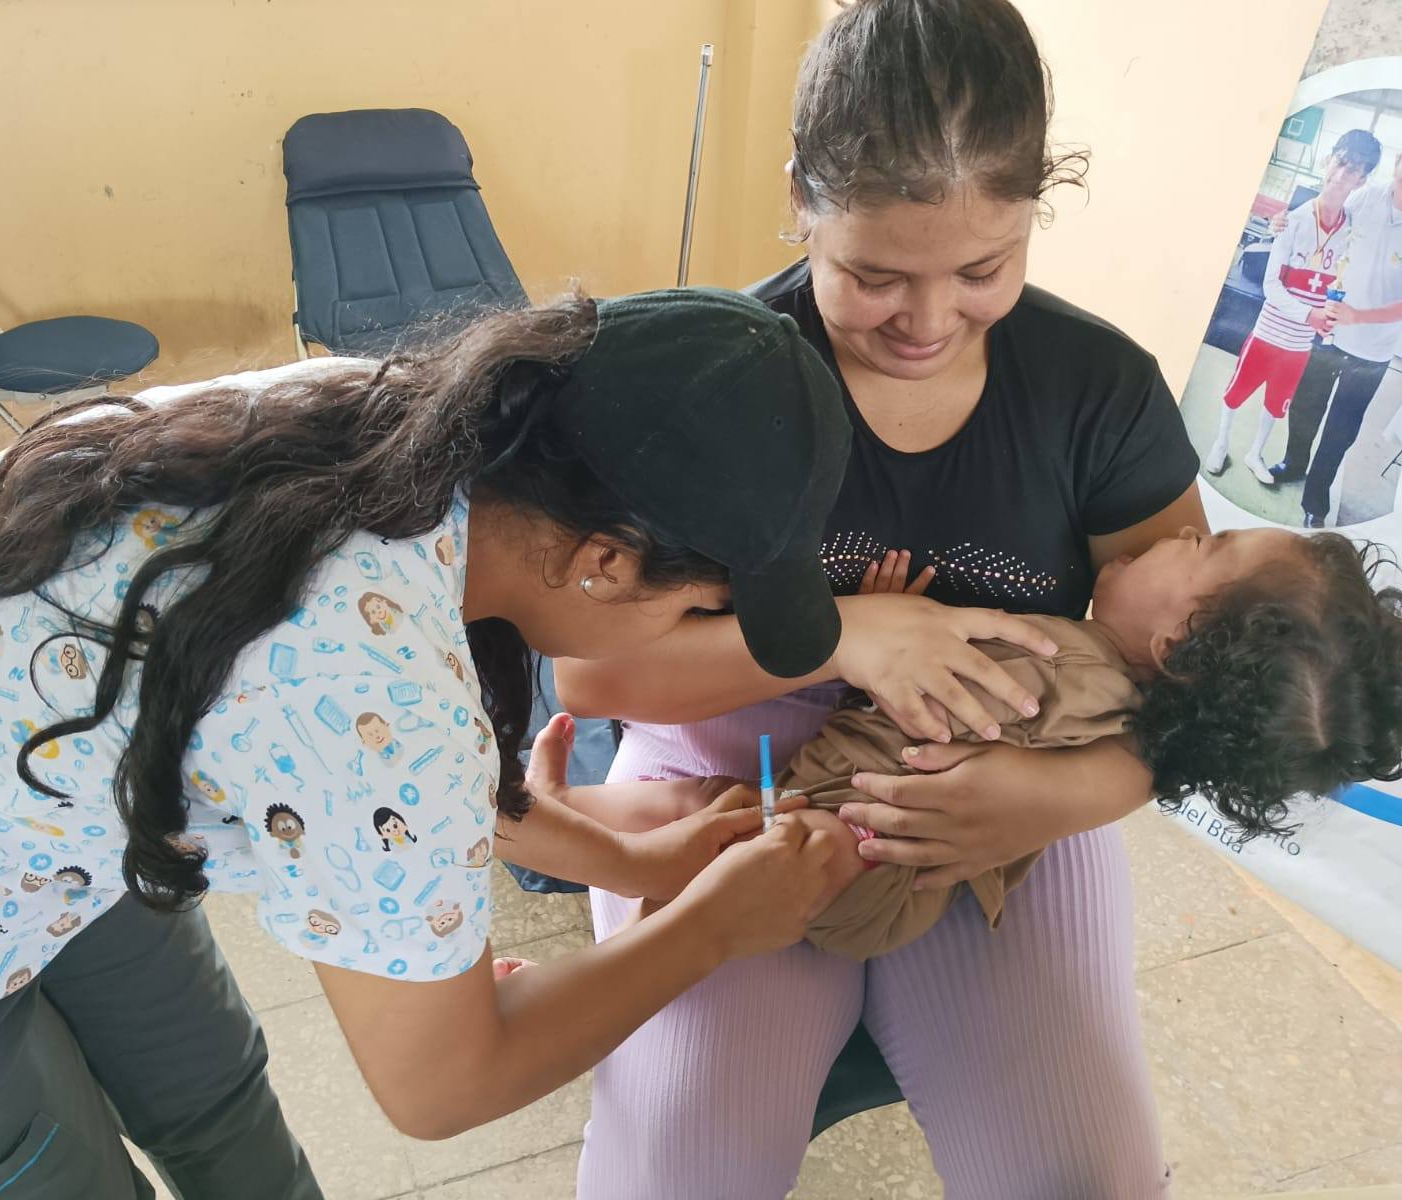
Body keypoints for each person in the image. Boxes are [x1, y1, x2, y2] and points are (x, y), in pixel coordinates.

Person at [0, 288, 911, 1199]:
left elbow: (333, 754)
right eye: (698, 608)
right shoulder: (382, 692)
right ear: (606, 563)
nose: (692, 634)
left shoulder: (389, 422)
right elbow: (438, 1086)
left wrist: (626, 859)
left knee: (211, 1092)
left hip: (1, 779)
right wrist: (713, 926)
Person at [556, 2, 1211, 1195]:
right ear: (799, 200)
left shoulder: (1098, 393)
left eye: (981, 271)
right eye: (873, 276)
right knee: (682, 1169)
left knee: (1081, 1175)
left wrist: (1058, 795)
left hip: (1002, 788)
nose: (926, 322)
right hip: (732, 773)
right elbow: (594, 674)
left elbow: (1194, 675)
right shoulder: (712, 386)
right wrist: (844, 634)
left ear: (1030, 216)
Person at [579, 528, 1402, 961]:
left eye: (1205, 548)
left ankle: (588, 856)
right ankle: (574, 828)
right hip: (882, 862)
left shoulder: (1053, 658)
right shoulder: (1121, 711)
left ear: (1177, 643)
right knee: (714, 810)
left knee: (736, 839)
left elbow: (924, 693)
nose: (1186, 527)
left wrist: (874, 624)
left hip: (856, 845)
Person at [1204, 130, 1381, 482]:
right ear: (1328, 159)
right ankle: (1221, 443)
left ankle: (1255, 453)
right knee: (1236, 393)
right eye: (1339, 162)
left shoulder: (1352, 230)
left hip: (1300, 345)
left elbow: (1344, 281)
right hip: (1269, 333)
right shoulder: (1293, 220)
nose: (1340, 175)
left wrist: (1333, 314)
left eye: (1352, 170)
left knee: (1277, 404)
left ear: (1361, 180)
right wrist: (1309, 314)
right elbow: (1271, 286)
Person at [1269, 147, 1402, 526]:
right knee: (1305, 405)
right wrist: (1286, 222)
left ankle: (1316, 497)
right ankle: (1294, 463)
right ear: (1397, 163)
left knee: (1342, 428)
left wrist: (1361, 316)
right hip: (1329, 332)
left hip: (1374, 350)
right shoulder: (1367, 196)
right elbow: (1327, 214)